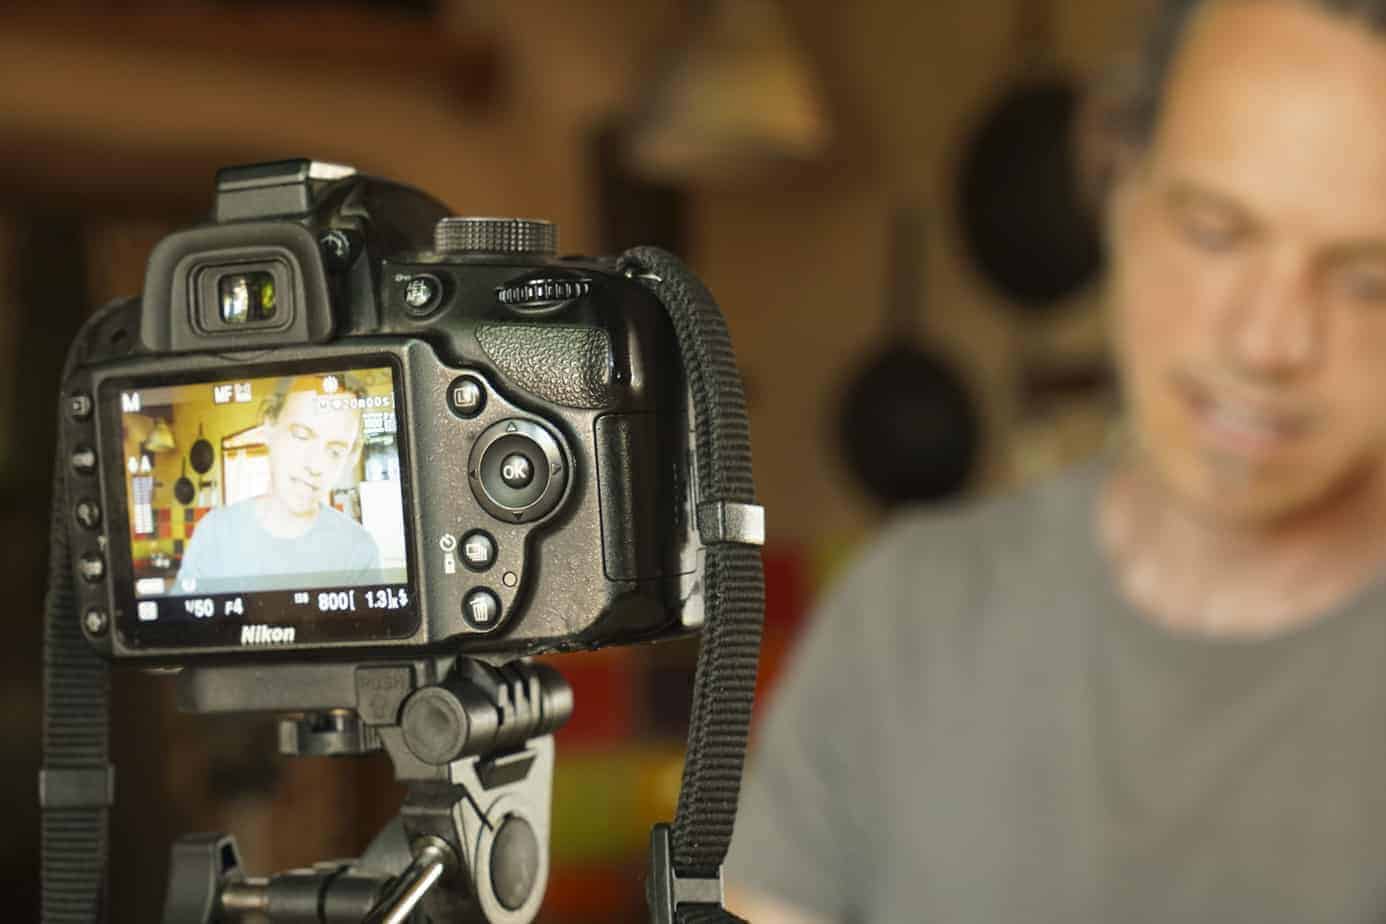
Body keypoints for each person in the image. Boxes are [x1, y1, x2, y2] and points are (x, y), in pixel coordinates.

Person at [727, 0, 1386, 921]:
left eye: (1367, 280)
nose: (1269, 341)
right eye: (1215, 230)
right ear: (1116, 184)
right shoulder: (908, 613)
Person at [174, 374, 383, 594]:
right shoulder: (214, 533)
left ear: (350, 459)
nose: (315, 465)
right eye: (301, 435)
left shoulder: (359, 550)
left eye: (335, 452)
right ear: (270, 426)